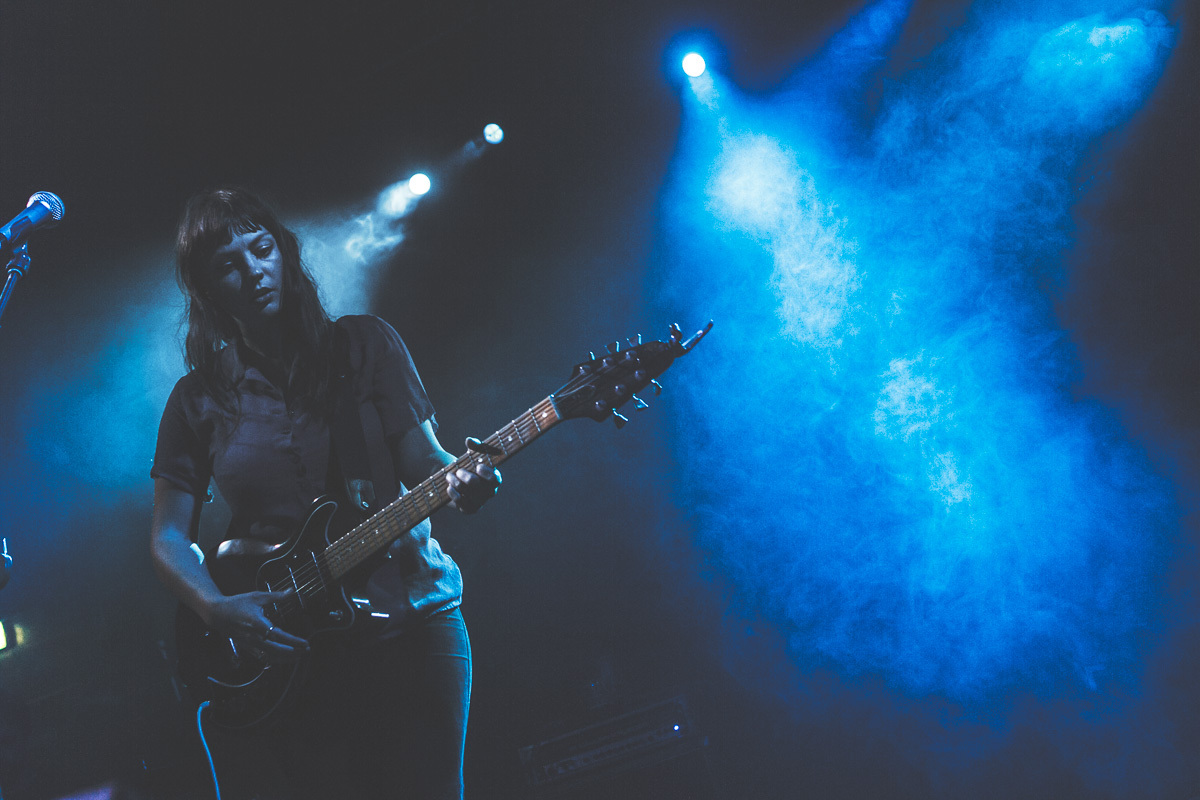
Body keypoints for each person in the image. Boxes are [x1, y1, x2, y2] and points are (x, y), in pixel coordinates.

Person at [149, 186, 499, 799]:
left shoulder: (365, 345)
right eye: (228, 264)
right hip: (301, 653)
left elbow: (427, 462)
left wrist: (464, 477)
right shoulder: (196, 400)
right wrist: (215, 607)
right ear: (206, 289)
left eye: (261, 249)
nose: (253, 270)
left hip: (411, 621)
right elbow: (168, 536)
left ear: (283, 252)